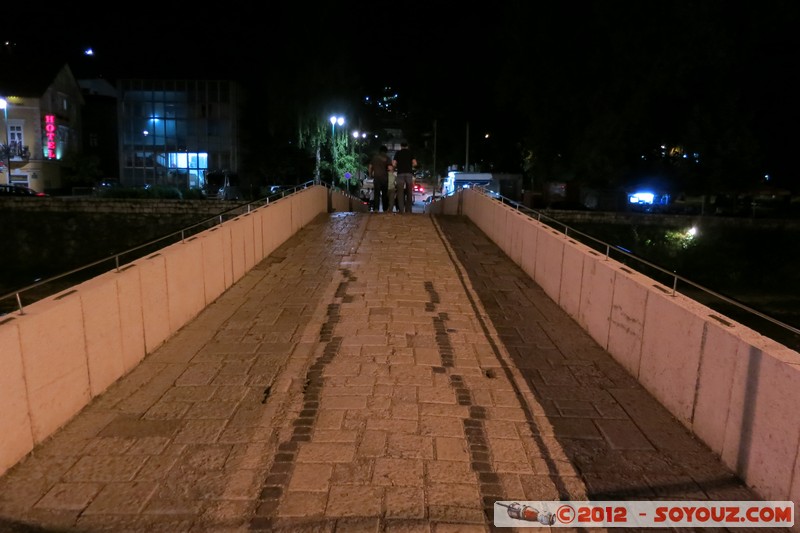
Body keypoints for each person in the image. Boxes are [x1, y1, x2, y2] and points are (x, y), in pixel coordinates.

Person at [392, 140, 417, 213]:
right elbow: (415, 163)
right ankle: (408, 210)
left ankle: (401, 210)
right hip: (409, 173)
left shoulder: (398, 153)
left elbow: (393, 164)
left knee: (400, 192)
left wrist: (398, 166)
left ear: (401, 146)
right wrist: (409, 166)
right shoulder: (410, 153)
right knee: (409, 192)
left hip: (400, 173)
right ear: (407, 146)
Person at [368, 145, 391, 213]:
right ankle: (385, 209)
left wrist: (370, 174)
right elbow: (390, 168)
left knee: (376, 194)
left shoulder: (374, 157)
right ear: (386, 151)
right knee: (384, 194)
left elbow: (370, 166)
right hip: (384, 178)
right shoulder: (387, 158)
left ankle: (376, 209)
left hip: (376, 178)